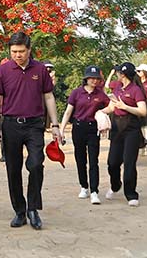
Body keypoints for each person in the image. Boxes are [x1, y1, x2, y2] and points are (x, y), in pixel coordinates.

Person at [0, 31, 62, 230]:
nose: (18, 55)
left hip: (34, 125)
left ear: (29, 50)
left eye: (21, 51)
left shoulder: (40, 70)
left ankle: (33, 208)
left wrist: (55, 125)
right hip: (11, 124)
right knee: (13, 169)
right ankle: (19, 211)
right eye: (14, 51)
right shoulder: (3, 71)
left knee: (36, 164)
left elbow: (48, 97)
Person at [59, 65, 110, 205]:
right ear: (86, 78)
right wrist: (61, 130)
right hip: (78, 127)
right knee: (80, 159)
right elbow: (68, 112)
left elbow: (111, 106)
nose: (94, 81)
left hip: (93, 129)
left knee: (94, 160)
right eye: (91, 78)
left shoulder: (100, 95)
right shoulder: (76, 93)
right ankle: (84, 186)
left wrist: (102, 112)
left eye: (97, 78)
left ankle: (94, 191)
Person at [103, 62, 147, 206]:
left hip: (131, 128)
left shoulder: (136, 90)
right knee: (112, 163)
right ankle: (115, 185)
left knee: (129, 163)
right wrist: (100, 112)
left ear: (123, 74)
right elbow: (111, 106)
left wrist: (126, 107)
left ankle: (131, 194)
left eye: (118, 72)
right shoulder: (117, 87)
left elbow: (143, 111)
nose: (117, 75)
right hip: (116, 126)